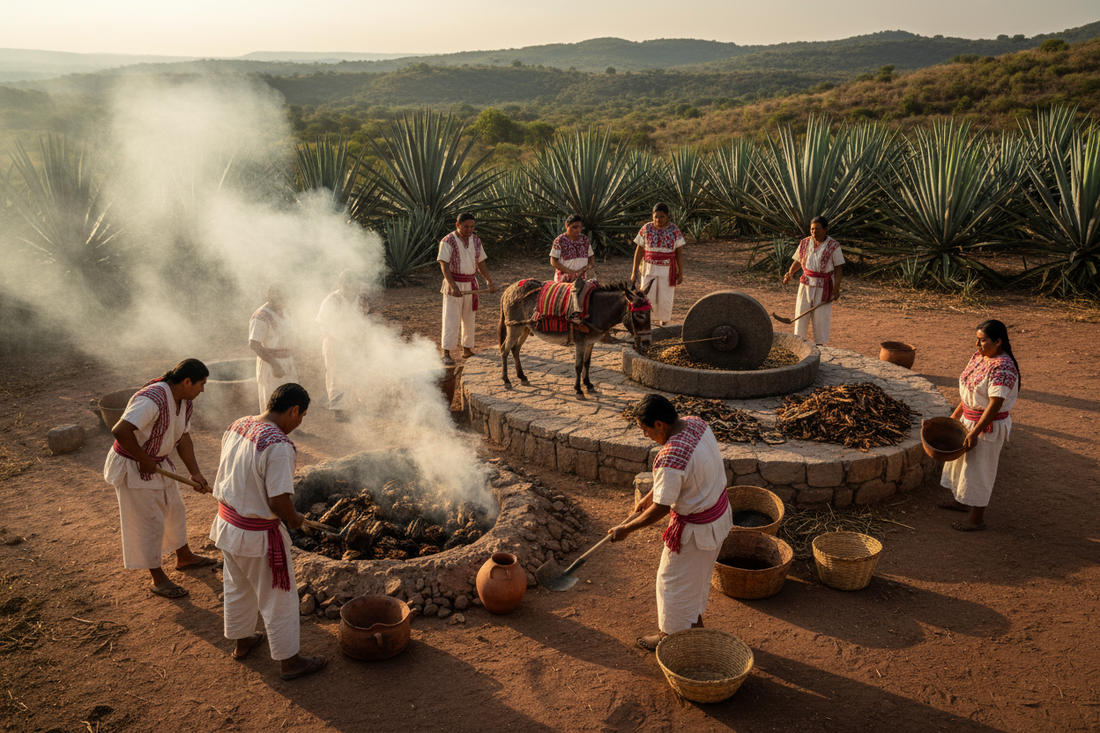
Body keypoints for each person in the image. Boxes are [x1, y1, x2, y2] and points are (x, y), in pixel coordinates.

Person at [209, 382, 327, 680]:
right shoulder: (279, 446)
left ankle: (242, 642)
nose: (299, 424)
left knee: (238, 587)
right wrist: (296, 519)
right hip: (256, 535)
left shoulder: (238, 424)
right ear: (294, 410)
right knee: (279, 597)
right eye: (301, 417)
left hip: (227, 525)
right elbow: (277, 501)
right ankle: (290, 662)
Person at [608, 394, 733, 651]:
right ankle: (694, 626)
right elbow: (685, 477)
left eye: (645, 431)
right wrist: (652, 493)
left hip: (696, 533)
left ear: (659, 425)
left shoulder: (670, 457)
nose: (647, 437)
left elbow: (663, 508)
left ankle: (671, 638)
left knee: (671, 584)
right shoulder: (696, 424)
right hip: (717, 519)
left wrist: (627, 529)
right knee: (694, 581)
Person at [103, 358, 216, 599]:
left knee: (175, 509)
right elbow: (120, 430)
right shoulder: (151, 399)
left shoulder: (185, 401)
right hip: (133, 465)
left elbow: (183, 438)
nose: (202, 390)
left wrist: (195, 471)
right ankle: (158, 578)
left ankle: (184, 557)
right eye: (201, 384)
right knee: (149, 521)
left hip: (157, 461)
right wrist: (143, 458)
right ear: (187, 381)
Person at [938, 320, 1021, 531]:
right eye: (977, 339)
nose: (977, 344)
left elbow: (994, 405)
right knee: (963, 465)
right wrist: (954, 418)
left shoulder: (1004, 367)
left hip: (987, 426)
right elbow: (969, 393)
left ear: (998, 341)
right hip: (970, 420)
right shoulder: (980, 357)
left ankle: (977, 518)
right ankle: (961, 501)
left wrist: (976, 432)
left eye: (982, 340)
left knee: (981, 469)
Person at [438, 212, 496, 365]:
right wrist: (453, 286)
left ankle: (467, 349)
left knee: (469, 318)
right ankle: (447, 353)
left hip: (471, 283)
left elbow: (481, 262)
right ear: (457, 225)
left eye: (472, 226)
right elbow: (444, 265)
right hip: (453, 284)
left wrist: (488, 281)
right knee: (451, 318)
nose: (469, 229)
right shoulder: (447, 241)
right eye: (466, 226)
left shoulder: (476, 240)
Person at [782, 216, 844, 345]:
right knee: (801, 313)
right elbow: (799, 260)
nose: (814, 232)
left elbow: (838, 268)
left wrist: (836, 288)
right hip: (805, 284)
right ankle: (799, 343)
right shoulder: (804, 242)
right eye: (812, 229)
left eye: (817, 229)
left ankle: (820, 346)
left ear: (825, 229)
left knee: (821, 317)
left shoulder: (834, 246)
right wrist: (790, 272)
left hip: (824, 287)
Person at [317, 271, 364, 422]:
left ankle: (351, 405)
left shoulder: (359, 299)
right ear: (343, 284)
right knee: (336, 376)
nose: (356, 287)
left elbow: (364, 320)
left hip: (354, 343)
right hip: (335, 343)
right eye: (352, 284)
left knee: (354, 374)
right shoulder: (332, 300)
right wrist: (337, 340)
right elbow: (323, 324)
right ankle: (339, 410)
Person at [631, 203, 685, 326]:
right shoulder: (646, 229)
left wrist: (680, 272)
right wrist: (634, 272)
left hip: (667, 269)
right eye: (656, 217)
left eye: (661, 217)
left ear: (667, 216)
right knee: (647, 294)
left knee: (665, 295)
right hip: (649, 268)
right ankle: (648, 319)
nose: (658, 220)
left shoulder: (674, 230)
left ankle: (663, 319)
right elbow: (639, 251)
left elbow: (679, 253)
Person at [249, 282, 298, 413]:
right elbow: (254, 344)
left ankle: (289, 428)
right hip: (271, 364)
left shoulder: (285, 311)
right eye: (278, 297)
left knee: (291, 397)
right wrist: (274, 364)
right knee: (273, 401)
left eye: (283, 297)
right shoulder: (260, 317)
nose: (282, 300)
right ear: (268, 296)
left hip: (288, 361)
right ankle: (271, 431)